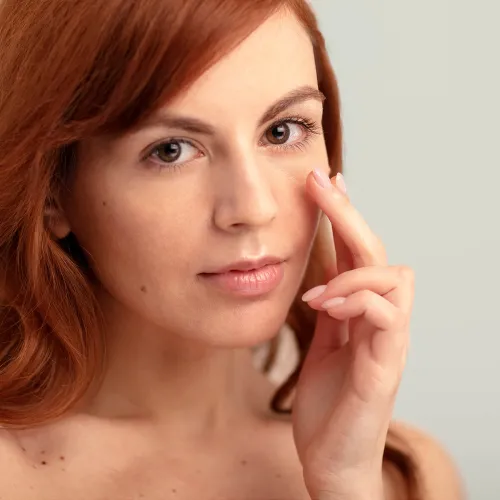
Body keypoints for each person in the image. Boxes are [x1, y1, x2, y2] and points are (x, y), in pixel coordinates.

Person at [0, 0, 464, 498]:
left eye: (282, 131)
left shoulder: (404, 478)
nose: (254, 208)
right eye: (171, 150)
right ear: (51, 193)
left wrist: (346, 484)